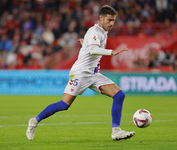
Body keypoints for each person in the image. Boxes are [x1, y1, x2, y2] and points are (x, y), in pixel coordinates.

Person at [26, 5, 135, 141]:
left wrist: (85, 44)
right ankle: (34, 121)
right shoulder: (95, 31)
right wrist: (111, 52)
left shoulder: (102, 32)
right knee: (64, 105)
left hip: (94, 74)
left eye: (114, 20)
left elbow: (90, 48)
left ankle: (116, 131)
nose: (112, 23)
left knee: (119, 95)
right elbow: (93, 50)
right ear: (101, 17)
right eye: (109, 20)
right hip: (81, 73)